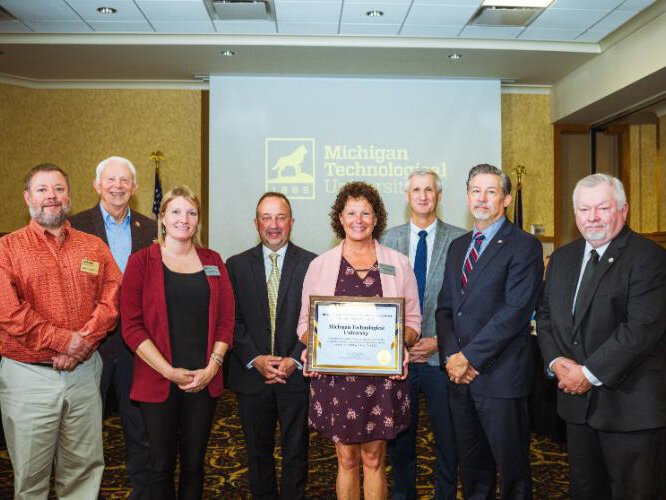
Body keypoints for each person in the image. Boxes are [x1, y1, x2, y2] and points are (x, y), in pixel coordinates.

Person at [537, 173, 666, 500]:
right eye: (584, 209)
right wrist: (556, 362)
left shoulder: (648, 258)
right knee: (585, 489)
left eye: (602, 208)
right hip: (577, 407)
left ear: (623, 210)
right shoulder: (563, 258)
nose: (592, 217)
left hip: (629, 407)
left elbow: (640, 329)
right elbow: (547, 315)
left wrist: (588, 374)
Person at [0, 163, 122, 499]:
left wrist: (82, 345)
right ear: (27, 197)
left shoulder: (93, 246)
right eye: (42, 190)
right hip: (29, 377)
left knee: (83, 469)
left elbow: (112, 297)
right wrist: (66, 342)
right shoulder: (7, 249)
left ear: (68, 195)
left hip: (84, 374)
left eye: (58, 189)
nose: (51, 197)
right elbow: (9, 314)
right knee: (31, 476)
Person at [297, 181, 421, 499]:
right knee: (347, 459)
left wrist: (400, 345)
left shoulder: (398, 264)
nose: (358, 219)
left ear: (376, 218)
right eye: (351, 212)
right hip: (338, 378)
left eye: (366, 212)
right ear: (339, 217)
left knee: (374, 458)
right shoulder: (320, 265)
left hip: (383, 376)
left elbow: (413, 322)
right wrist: (314, 348)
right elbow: (304, 326)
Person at [436, 164, 543, 499]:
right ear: (467, 197)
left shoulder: (524, 245)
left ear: (506, 198)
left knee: (512, 471)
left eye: (491, 191)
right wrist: (453, 357)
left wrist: (469, 357)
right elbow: (445, 309)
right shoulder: (458, 247)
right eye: (475, 191)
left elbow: (515, 312)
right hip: (460, 378)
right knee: (472, 469)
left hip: (500, 377)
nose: (481, 198)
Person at [121, 185, 235, 499]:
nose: (183, 219)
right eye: (175, 211)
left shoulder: (213, 261)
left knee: (195, 465)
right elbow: (131, 327)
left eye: (191, 212)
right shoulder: (141, 262)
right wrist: (168, 371)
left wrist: (213, 367)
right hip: (158, 381)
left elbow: (226, 321)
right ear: (163, 217)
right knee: (160, 467)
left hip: (203, 380)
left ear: (198, 220)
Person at [70, 155, 156, 498]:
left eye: (125, 181)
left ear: (134, 188)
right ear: (96, 185)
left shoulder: (151, 230)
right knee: (84, 427)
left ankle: (144, 492)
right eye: (110, 180)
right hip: (92, 343)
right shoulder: (75, 226)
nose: (118, 186)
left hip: (137, 345)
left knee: (139, 428)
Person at [226, 192, 316, 499]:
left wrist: (294, 359)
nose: (273, 225)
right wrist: (255, 358)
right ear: (256, 223)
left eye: (280, 217)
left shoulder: (312, 264)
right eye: (266, 217)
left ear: (291, 222)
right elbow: (231, 321)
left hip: (297, 374)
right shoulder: (235, 265)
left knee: (296, 451)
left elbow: (317, 320)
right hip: (253, 375)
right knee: (256, 452)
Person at [381, 169, 464, 500]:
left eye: (429, 189)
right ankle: (404, 495)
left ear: (439, 196)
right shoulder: (387, 239)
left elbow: (466, 303)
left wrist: (439, 342)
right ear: (407, 196)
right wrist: (401, 343)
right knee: (401, 439)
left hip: (442, 358)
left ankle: (445, 494)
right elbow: (381, 299)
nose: (423, 195)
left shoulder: (461, 239)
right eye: (416, 189)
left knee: (448, 438)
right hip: (399, 359)